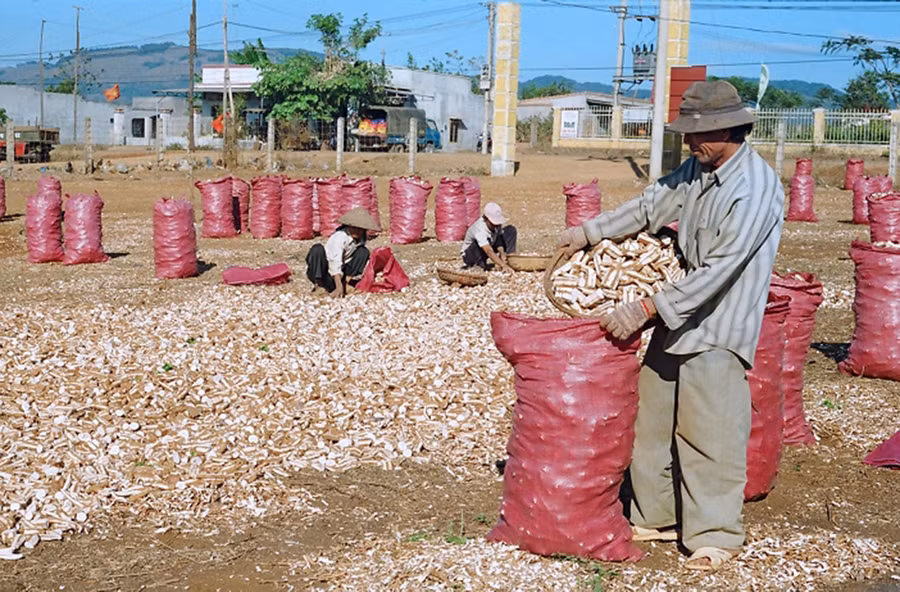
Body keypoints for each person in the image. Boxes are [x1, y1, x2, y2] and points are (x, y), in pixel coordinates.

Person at [558, 80, 784, 571]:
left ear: (729, 129)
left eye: (697, 133)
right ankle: (656, 515)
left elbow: (720, 270)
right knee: (652, 421)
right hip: (676, 317)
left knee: (709, 431)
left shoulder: (754, 188)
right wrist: (589, 232)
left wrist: (644, 308)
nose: (688, 142)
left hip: (719, 323)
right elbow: (650, 205)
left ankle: (714, 533)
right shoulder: (698, 170)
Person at [306, 207, 379, 298]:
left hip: (342, 273)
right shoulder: (339, 238)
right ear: (349, 226)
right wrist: (338, 286)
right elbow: (335, 262)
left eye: (361, 229)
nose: (358, 231)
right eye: (355, 228)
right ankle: (319, 285)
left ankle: (346, 284)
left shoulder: (361, 238)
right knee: (317, 249)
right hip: (326, 272)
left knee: (363, 252)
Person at [461, 202, 517, 272]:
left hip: (490, 244)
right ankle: (479, 264)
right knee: (480, 243)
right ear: (485, 218)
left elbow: (498, 239)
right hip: (471, 254)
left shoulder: (496, 226)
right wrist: (503, 265)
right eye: (493, 224)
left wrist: (502, 253)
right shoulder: (479, 229)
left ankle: (509, 258)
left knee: (510, 230)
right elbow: (488, 250)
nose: (496, 225)